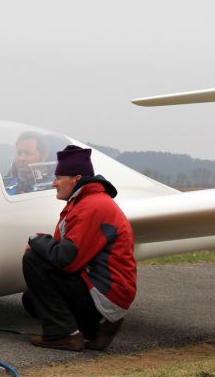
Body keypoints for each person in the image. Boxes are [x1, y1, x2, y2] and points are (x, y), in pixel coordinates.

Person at [22, 145, 137, 351]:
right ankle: (97, 328)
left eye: (58, 178)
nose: (54, 183)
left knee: (34, 260)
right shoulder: (85, 202)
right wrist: (42, 244)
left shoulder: (90, 206)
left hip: (106, 294)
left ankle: (65, 335)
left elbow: (66, 260)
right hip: (106, 292)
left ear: (76, 179)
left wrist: (35, 240)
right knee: (31, 300)